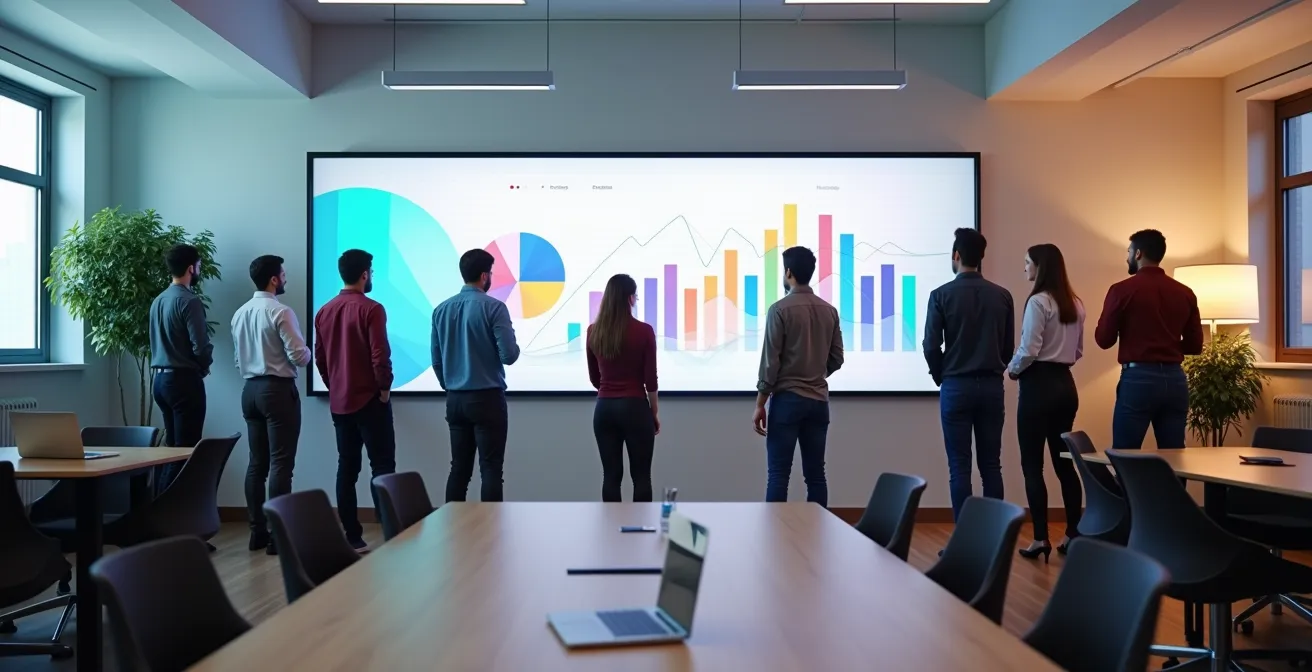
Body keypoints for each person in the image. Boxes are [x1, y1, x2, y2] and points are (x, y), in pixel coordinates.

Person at [923, 228, 1014, 521]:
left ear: (957, 256)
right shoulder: (1002, 296)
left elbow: (930, 344)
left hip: (956, 387)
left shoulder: (940, 295)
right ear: (981, 258)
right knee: (992, 466)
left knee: (959, 467)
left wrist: (942, 375)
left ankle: (964, 540)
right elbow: (1008, 348)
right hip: (991, 387)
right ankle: (994, 539)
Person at [315, 249, 396, 549]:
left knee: (346, 468)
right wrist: (384, 389)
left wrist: (334, 385)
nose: (371, 276)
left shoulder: (323, 311)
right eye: (371, 272)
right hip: (371, 401)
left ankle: (352, 537)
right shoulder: (372, 309)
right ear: (365, 274)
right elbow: (380, 356)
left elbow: (321, 359)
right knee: (383, 467)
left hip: (340, 402)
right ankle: (390, 532)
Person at [1008, 244, 1084, 562]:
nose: (1024, 267)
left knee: (1032, 465)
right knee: (1064, 464)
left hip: (1037, 387)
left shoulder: (1038, 302)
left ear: (1040, 266)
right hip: (1066, 386)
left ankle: (1040, 538)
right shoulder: (1075, 303)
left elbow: (1029, 348)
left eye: (1027, 262)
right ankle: (1072, 534)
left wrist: (1011, 371)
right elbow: (1078, 351)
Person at [1095, 229, 1203, 449]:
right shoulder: (1185, 292)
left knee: (1126, 455)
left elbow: (1104, 339)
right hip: (1175, 380)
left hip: (1138, 379)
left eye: (1128, 251)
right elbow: (1194, 345)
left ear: (1138, 254)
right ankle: (1173, 486)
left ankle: (1129, 486)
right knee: (1175, 458)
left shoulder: (1121, 291)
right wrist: (1167, 344)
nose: (1127, 257)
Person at [231, 255, 311, 555]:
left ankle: (257, 532)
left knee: (257, 464)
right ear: (274, 279)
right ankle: (279, 537)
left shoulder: (240, 313)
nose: (286, 278)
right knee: (281, 464)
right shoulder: (281, 312)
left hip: (249, 390)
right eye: (284, 274)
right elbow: (299, 357)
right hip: (277, 391)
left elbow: (238, 359)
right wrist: (309, 350)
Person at [753, 246, 843, 507]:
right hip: (818, 402)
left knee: (778, 475)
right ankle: (816, 538)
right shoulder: (830, 311)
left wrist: (760, 403)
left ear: (788, 272)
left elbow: (770, 364)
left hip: (787, 402)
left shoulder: (779, 310)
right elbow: (837, 358)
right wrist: (814, 371)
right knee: (816, 476)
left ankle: (774, 538)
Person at [431, 249, 520, 503]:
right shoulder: (495, 308)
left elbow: (437, 361)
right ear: (484, 276)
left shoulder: (440, 310)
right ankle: (490, 535)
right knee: (491, 469)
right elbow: (509, 356)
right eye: (490, 273)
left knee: (459, 469)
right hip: (487, 399)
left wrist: (450, 386)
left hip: (455, 400)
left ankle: (453, 533)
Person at [586, 274, 659, 502]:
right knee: (641, 477)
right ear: (630, 298)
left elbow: (594, 378)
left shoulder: (593, 331)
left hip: (604, 409)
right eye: (636, 296)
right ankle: (642, 532)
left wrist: (610, 391)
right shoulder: (644, 331)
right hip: (636, 407)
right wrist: (653, 412)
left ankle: (611, 532)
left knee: (611, 476)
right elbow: (651, 380)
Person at [149, 243, 212, 496]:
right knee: (187, 452)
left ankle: (160, 515)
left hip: (160, 383)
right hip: (184, 383)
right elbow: (201, 346)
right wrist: (204, 366)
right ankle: (169, 518)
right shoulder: (190, 301)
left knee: (172, 450)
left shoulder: (158, 301)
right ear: (190, 268)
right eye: (198, 266)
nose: (198, 270)